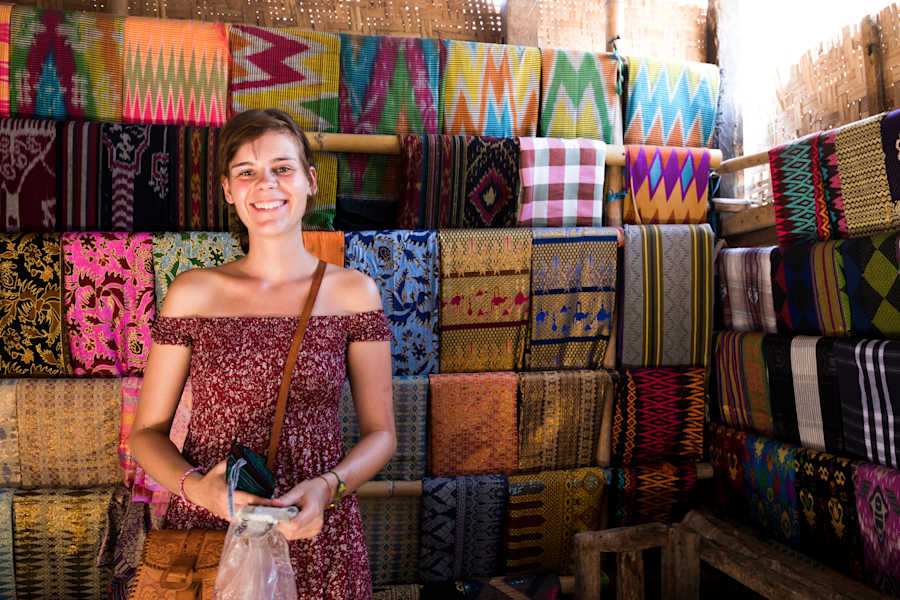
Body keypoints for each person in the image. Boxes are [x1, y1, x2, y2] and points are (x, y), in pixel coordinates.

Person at [130, 108, 396, 599]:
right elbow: (146, 434)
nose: (266, 184)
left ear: (310, 180)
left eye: (282, 168)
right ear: (228, 190)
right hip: (214, 525)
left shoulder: (354, 292)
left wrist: (328, 487)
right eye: (247, 172)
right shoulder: (193, 293)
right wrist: (198, 488)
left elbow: (381, 434)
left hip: (317, 527)